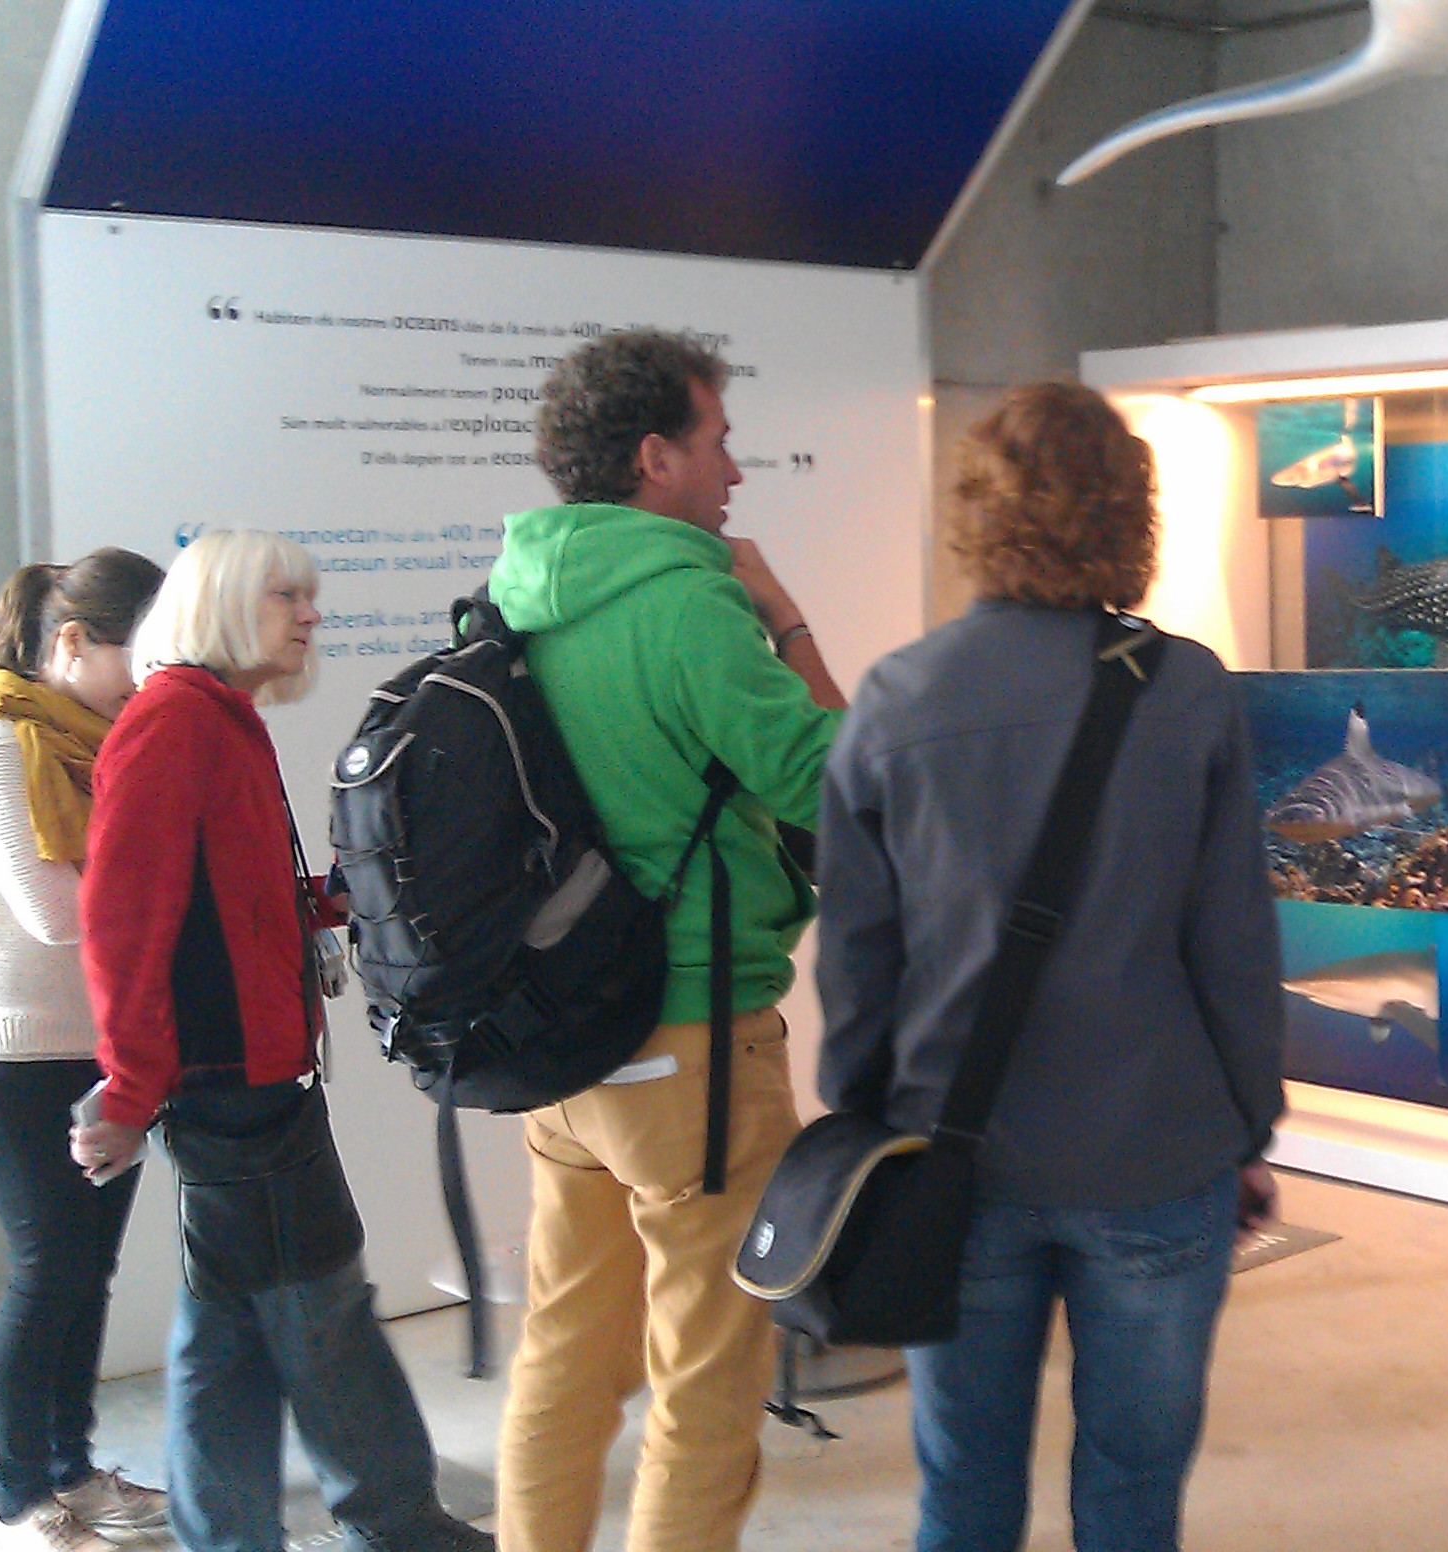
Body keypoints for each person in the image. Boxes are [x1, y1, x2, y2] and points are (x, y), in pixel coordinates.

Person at [813, 382, 1286, 1552]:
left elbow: (860, 958)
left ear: (977, 510)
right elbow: (1232, 941)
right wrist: (1247, 1126)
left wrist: (866, 1117)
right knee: (1134, 1486)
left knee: (962, 1484)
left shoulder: (896, 697)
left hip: (953, 1156)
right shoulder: (1187, 691)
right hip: (1157, 1149)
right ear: (1128, 515)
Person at [487, 328, 844, 1552]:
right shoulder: (690, 602)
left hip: (562, 1042)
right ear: (655, 455)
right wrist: (786, 619)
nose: (735, 471)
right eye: (718, 441)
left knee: (567, 1353)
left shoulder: (521, 593)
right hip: (689, 1044)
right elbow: (836, 781)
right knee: (708, 1373)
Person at [68, 529, 488, 1552]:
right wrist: (129, 1089)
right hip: (230, 1085)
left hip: (248, 1078)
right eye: (284, 596)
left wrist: (329, 898)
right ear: (216, 603)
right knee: (320, 1310)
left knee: (235, 1332)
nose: (309, 615)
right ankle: (393, 1523)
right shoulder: (173, 725)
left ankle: (258, 1532)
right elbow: (123, 926)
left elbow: (221, 895)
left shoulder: (214, 719)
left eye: (308, 595)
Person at [0, 550, 168, 1552]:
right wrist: (166, 885)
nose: (145, 679)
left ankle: (73, 1467)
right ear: (72, 641)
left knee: (88, 1272)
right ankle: (21, 1492)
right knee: (48, 1269)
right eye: (134, 655)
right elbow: (52, 911)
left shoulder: (107, 737)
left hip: (108, 1041)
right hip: (12, 1049)